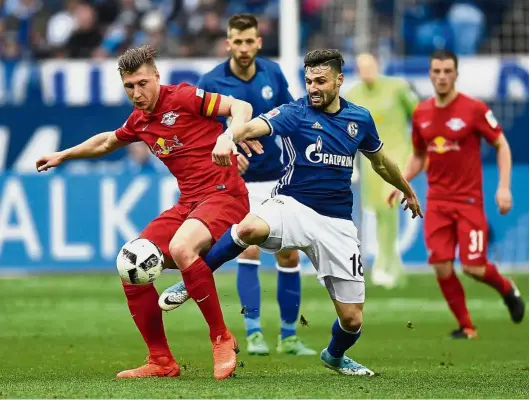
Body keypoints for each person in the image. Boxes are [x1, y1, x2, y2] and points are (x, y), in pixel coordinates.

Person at [161, 49, 423, 375]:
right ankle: (193, 279)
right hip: (293, 204)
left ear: (339, 80)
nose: (313, 87)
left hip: (337, 223)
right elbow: (253, 126)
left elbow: (381, 161)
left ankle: (335, 356)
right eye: (309, 80)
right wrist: (228, 136)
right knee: (247, 229)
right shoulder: (294, 113)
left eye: (321, 81)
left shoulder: (359, 119)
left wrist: (408, 190)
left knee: (353, 320)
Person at [35, 45, 263, 380]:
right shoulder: (141, 121)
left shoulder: (184, 97)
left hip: (224, 195)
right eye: (129, 86)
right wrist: (64, 155)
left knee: (183, 248)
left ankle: (221, 337)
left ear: (157, 77)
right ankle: (161, 360)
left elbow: (241, 106)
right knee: (131, 264)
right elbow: (106, 142)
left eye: (143, 83)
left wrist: (229, 136)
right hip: (189, 203)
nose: (137, 93)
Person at [159, 13, 314, 356]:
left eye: (249, 41)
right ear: (228, 43)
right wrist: (227, 149)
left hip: (279, 176)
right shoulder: (211, 81)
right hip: (238, 181)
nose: (244, 48)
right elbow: (196, 130)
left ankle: (289, 336)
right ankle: (254, 331)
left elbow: (288, 113)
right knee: (250, 248)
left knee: (289, 255)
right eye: (237, 42)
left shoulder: (272, 73)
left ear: (258, 42)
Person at [388, 49, 525, 339]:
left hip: (468, 201)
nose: (441, 77)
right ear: (430, 74)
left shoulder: (474, 109)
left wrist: (503, 187)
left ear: (456, 74)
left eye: (447, 71)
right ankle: (467, 326)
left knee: (473, 268)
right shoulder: (422, 113)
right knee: (440, 264)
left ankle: (507, 288)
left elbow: (501, 144)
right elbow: (419, 155)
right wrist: (400, 182)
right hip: (436, 203)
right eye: (436, 71)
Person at [345, 53, 419, 288]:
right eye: (361, 67)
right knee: (377, 210)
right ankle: (387, 262)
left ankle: (386, 263)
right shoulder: (353, 95)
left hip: (397, 156)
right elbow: (349, 131)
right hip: (370, 161)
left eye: (369, 65)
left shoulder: (397, 88)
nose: (366, 70)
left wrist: (418, 151)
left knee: (389, 206)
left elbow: (419, 116)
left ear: (378, 65)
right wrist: (352, 164)